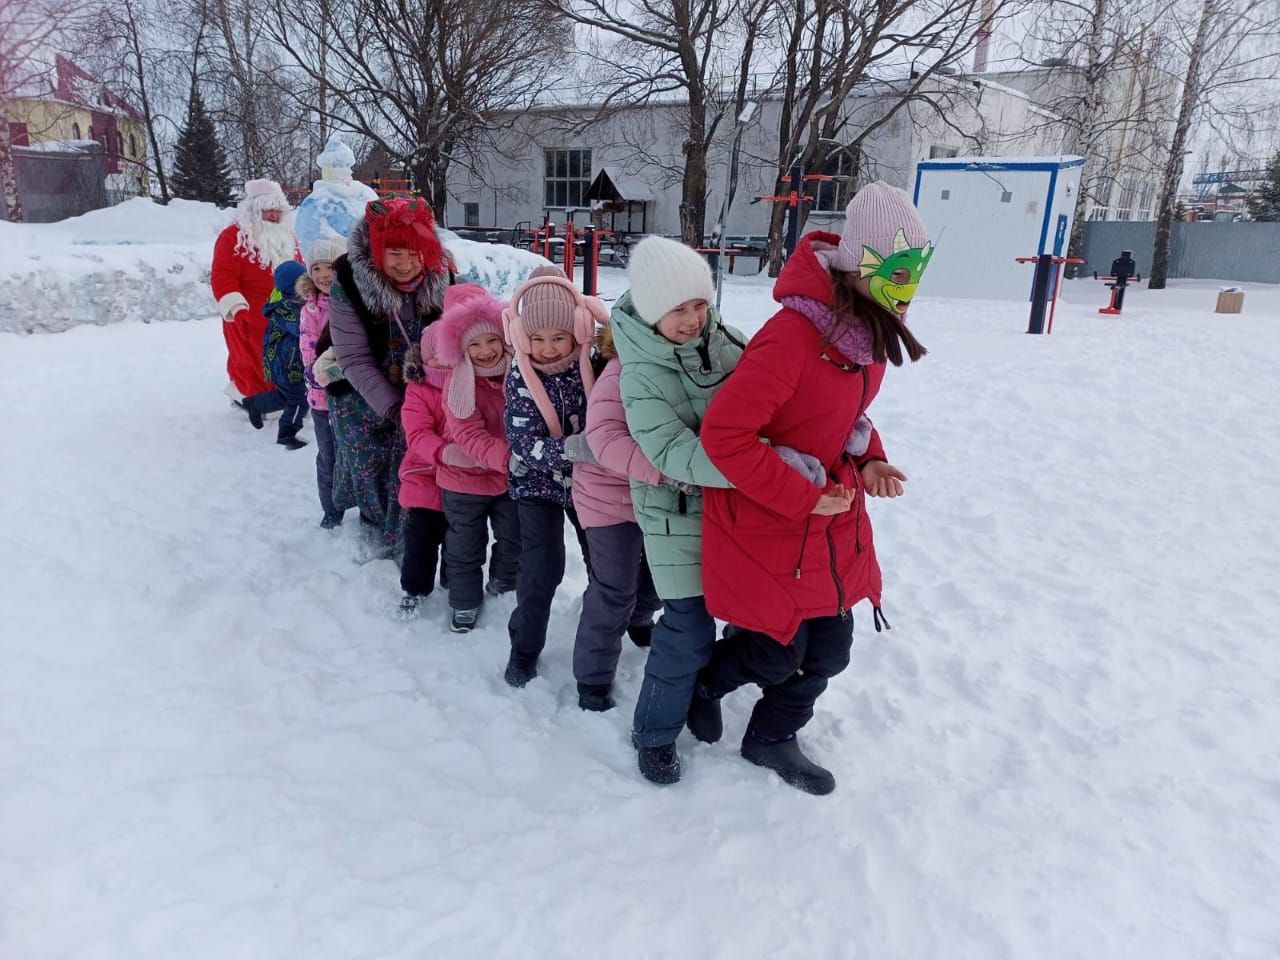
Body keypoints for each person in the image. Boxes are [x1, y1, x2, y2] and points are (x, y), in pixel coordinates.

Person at [693, 181, 932, 795]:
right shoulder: (791, 338)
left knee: (829, 649)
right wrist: (802, 495)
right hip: (769, 518)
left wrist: (873, 459)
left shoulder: (867, 337)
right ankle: (704, 682)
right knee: (774, 648)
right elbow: (725, 437)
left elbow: (846, 417)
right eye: (896, 276)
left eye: (914, 276)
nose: (907, 294)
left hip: (829, 525)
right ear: (857, 267)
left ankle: (770, 737)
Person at [610, 236, 745, 785]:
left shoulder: (730, 341)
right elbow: (669, 449)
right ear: (649, 311)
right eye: (677, 309)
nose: (692, 319)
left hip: (738, 511)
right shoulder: (638, 372)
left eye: (699, 304)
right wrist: (755, 470)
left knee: (750, 615)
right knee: (688, 628)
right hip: (674, 515)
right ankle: (655, 732)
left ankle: (704, 688)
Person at [327, 198, 453, 559]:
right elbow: (353, 357)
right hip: (362, 385)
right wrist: (394, 407)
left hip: (425, 384)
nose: (406, 263)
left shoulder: (441, 276)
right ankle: (374, 522)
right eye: (395, 253)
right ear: (377, 250)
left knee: (416, 460)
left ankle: (412, 529)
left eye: (415, 253)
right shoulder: (349, 280)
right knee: (367, 458)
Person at [500, 266, 607, 688]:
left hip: (589, 485)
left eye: (558, 337)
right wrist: (578, 449)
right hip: (536, 485)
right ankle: (524, 649)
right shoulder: (521, 377)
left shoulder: (594, 366)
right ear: (523, 337)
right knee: (541, 570)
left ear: (580, 331)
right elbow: (525, 443)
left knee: (606, 564)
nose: (546, 349)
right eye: (537, 338)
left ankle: (617, 623)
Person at [569, 319, 662, 712]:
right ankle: (592, 678)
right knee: (614, 588)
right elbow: (605, 440)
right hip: (606, 496)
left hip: (654, 494)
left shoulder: (685, 366)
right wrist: (670, 471)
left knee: (658, 577)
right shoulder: (620, 373)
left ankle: (640, 619)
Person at [436, 284, 521, 634]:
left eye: (491, 341)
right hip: (464, 481)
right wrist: (510, 457)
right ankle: (464, 601)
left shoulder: (518, 374)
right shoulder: (457, 384)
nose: (486, 351)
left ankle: (503, 582)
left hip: (507, 479)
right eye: (474, 344)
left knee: (513, 537)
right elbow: (467, 434)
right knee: (464, 544)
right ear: (461, 348)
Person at [209, 179, 299, 415]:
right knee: (253, 361)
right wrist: (238, 309)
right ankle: (254, 399)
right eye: (267, 209)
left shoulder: (288, 238)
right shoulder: (232, 238)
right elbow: (223, 277)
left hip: (288, 315)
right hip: (250, 317)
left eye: (277, 209)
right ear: (253, 211)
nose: (273, 215)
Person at [396, 324, 451, 618]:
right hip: (424, 473)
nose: (442, 363)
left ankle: (453, 581)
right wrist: (443, 451)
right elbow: (417, 434)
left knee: (460, 538)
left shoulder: (469, 384)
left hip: (461, 478)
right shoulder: (418, 391)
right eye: (435, 356)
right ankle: (415, 588)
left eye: (449, 355)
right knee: (421, 539)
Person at [298, 237, 351, 526]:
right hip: (322, 400)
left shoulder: (353, 304)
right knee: (328, 456)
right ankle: (331, 509)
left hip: (352, 396)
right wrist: (314, 372)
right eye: (316, 268)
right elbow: (307, 345)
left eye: (330, 266)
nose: (324, 275)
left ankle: (357, 500)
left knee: (353, 454)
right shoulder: (311, 310)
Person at [257, 261, 310, 450]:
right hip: (285, 365)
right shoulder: (288, 308)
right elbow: (302, 328)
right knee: (299, 399)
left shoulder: (291, 302)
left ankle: (255, 404)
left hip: (286, 362)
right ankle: (287, 434)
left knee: (284, 395)